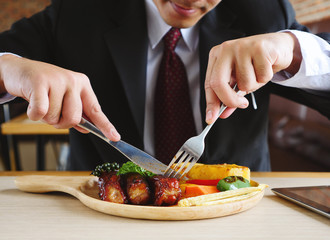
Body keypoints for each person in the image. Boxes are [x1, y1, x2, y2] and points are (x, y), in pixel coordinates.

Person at [0, 0, 329, 171]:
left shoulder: (263, 12)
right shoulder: (80, 11)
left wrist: (293, 50)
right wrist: (10, 68)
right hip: (106, 215)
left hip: (236, 216)